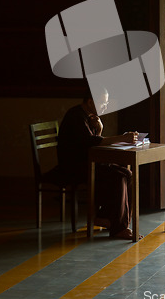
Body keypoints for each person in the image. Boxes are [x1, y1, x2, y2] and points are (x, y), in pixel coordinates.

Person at [57, 88, 139, 240]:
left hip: (87, 163)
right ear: (90, 102)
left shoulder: (89, 116)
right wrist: (122, 138)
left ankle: (109, 218)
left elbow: (91, 143)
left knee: (126, 173)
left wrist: (99, 130)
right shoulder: (76, 116)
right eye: (103, 102)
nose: (106, 106)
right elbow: (90, 143)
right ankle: (118, 228)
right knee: (119, 176)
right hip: (73, 167)